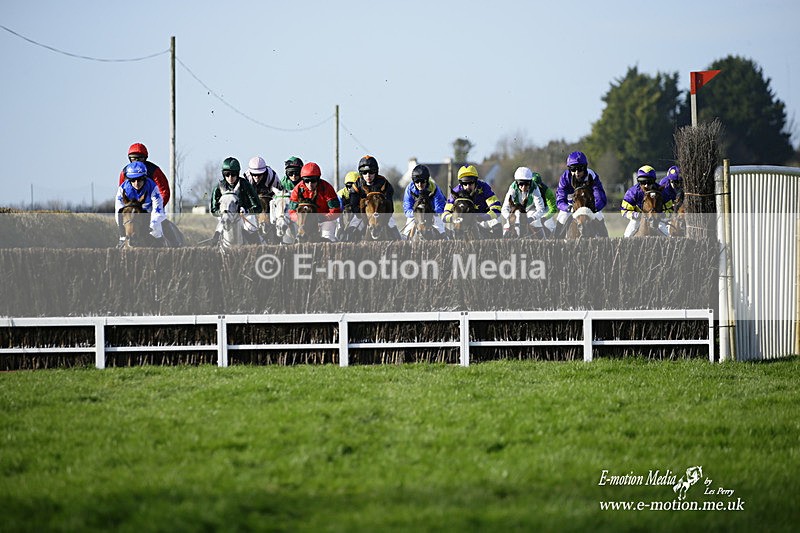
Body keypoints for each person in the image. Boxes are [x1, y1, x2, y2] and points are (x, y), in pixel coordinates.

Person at [209, 157, 262, 245]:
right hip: (225, 216)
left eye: (233, 174)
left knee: (250, 228)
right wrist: (222, 212)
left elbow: (258, 207)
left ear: (238, 174)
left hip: (244, 216)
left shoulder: (245, 184)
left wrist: (247, 210)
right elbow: (213, 209)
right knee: (218, 232)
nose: (230, 177)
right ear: (223, 174)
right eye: (227, 174)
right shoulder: (218, 187)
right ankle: (213, 251)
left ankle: (257, 249)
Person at [555, 151, 608, 236]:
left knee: (599, 216)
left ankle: (606, 244)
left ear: (585, 168)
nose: (576, 172)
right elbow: (560, 200)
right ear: (569, 169)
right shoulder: (564, 178)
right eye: (573, 169)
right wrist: (568, 208)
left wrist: (594, 208)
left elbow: (601, 198)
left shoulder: (592, 176)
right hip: (571, 205)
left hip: (589, 206)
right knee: (562, 217)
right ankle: (555, 244)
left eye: (580, 169)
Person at [114, 161, 166, 247]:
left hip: (150, 213)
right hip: (131, 215)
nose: (136, 183)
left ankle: (162, 247)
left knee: (156, 230)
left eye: (140, 179)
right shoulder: (122, 189)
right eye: (133, 180)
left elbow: (158, 210)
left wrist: (152, 225)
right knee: (123, 236)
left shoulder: (153, 187)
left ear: (144, 178)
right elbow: (119, 212)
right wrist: (122, 233)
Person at [347, 155, 400, 238]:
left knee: (393, 226)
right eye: (364, 172)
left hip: (382, 214)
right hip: (362, 214)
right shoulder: (357, 185)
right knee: (352, 228)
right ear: (361, 173)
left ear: (376, 172)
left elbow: (389, 204)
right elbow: (354, 205)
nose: (368, 175)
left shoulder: (384, 183)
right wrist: (363, 214)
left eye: (371, 172)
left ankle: (399, 243)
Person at [288, 162, 341, 241]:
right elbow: (291, 212)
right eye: (306, 181)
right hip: (303, 222)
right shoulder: (297, 189)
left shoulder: (327, 188)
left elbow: (336, 210)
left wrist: (324, 217)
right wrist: (299, 219)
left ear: (318, 179)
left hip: (324, 220)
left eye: (313, 181)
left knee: (328, 236)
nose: (310, 184)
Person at [442, 165, 502, 234]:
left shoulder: (484, 187)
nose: (468, 186)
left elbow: (497, 208)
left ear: (475, 181)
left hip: (482, 219)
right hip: (464, 221)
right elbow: (444, 215)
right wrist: (454, 218)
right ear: (461, 183)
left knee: (497, 221)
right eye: (465, 183)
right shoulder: (456, 192)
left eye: (471, 183)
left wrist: (483, 217)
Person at [620, 165, 669, 237]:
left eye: (649, 182)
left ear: (654, 181)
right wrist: (635, 215)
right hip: (637, 220)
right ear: (638, 181)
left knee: (668, 236)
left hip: (656, 219)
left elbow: (669, 208)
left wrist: (663, 214)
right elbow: (624, 211)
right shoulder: (632, 192)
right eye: (642, 182)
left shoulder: (661, 191)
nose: (646, 185)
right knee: (627, 235)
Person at [118, 143, 170, 207]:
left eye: (140, 158)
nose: (137, 161)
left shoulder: (154, 170)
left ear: (145, 158)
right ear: (129, 159)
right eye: (133, 159)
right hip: (132, 207)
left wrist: (157, 207)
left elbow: (164, 191)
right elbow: (122, 192)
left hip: (152, 205)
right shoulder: (125, 172)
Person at [401, 164, 447, 237]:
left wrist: (431, 214)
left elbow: (440, 206)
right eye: (417, 182)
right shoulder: (409, 189)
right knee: (406, 233)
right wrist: (417, 214)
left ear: (427, 180)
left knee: (440, 229)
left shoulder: (434, 188)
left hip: (432, 213)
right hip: (416, 214)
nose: (419, 184)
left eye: (422, 182)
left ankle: (445, 239)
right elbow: (407, 209)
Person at [500, 167, 546, 236]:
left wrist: (532, 218)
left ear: (530, 182)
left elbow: (541, 209)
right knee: (507, 226)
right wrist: (509, 217)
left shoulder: (535, 188)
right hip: (516, 211)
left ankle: (544, 244)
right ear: (516, 183)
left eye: (527, 184)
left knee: (536, 222)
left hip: (530, 210)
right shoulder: (512, 188)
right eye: (521, 184)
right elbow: (504, 209)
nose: (524, 187)